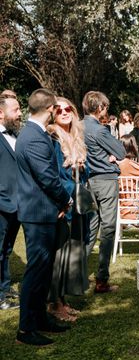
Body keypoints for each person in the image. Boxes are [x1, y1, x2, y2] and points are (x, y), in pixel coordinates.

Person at [15, 89, 72, 346]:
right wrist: (66, 199)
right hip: (39, 214)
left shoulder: (32, 133)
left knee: (44, 270)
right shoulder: (34, 137)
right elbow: (47, 177)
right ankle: (26, 329)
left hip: (43, 211)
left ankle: (39, 319)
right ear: (50, 109)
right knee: (36, 271)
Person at [46, 98, 90, 323]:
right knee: (59, 255)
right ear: (52, 114)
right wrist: (63, 199)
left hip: (77, 203)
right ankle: (54, 303)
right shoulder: (52, 137)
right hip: (63, 203)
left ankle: (62, 300)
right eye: (59, 110)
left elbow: (86, 172)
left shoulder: (77, 137)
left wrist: (82, 165)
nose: (64, 113)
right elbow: (51, 175)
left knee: (71, 251)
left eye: (68, 109)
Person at [83, 91, 126, 294]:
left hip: (88, 181)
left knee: (90, 228)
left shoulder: (78, 127)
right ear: (100, 107)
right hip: (106, 180)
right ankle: (102, 279)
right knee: (107, 229)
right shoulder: (100, 130)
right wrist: (110, 151)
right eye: (105, 107)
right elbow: (121, 152)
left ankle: (77, 275)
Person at [0, 93, 22, 311]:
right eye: (15, 110)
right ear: (1, 113)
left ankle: (4, 287)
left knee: (6, 250)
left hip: (17, 203)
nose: (19, 113)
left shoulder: (16, 135)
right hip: (1, 202)